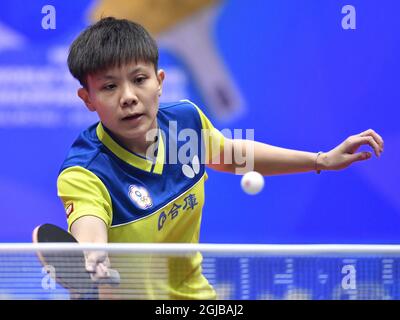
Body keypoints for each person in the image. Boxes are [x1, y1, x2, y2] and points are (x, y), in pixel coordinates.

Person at [58, 17, 384, 299]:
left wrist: (321, 160)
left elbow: (231, 155)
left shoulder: (184, 124)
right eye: (109, 87)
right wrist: (93, 254)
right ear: (87, 99)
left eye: (139, 79)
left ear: (159, 83)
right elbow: (89, 226)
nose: (128, 97)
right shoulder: (86, 172)